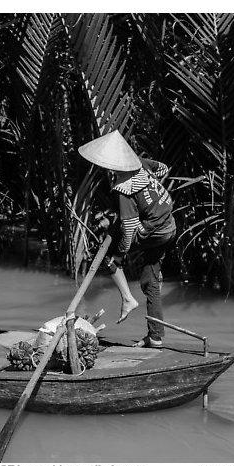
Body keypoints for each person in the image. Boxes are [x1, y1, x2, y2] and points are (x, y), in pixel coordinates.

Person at [78, 130, 176, 348]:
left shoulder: (124, 188)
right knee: (150, 281)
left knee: (110, 260)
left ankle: (127, 299)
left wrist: (121, 252)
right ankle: (156, 337)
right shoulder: (141, 163)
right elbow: (163, 168)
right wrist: (151, 195)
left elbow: (130, 229)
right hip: (169, 226)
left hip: (153, 232)